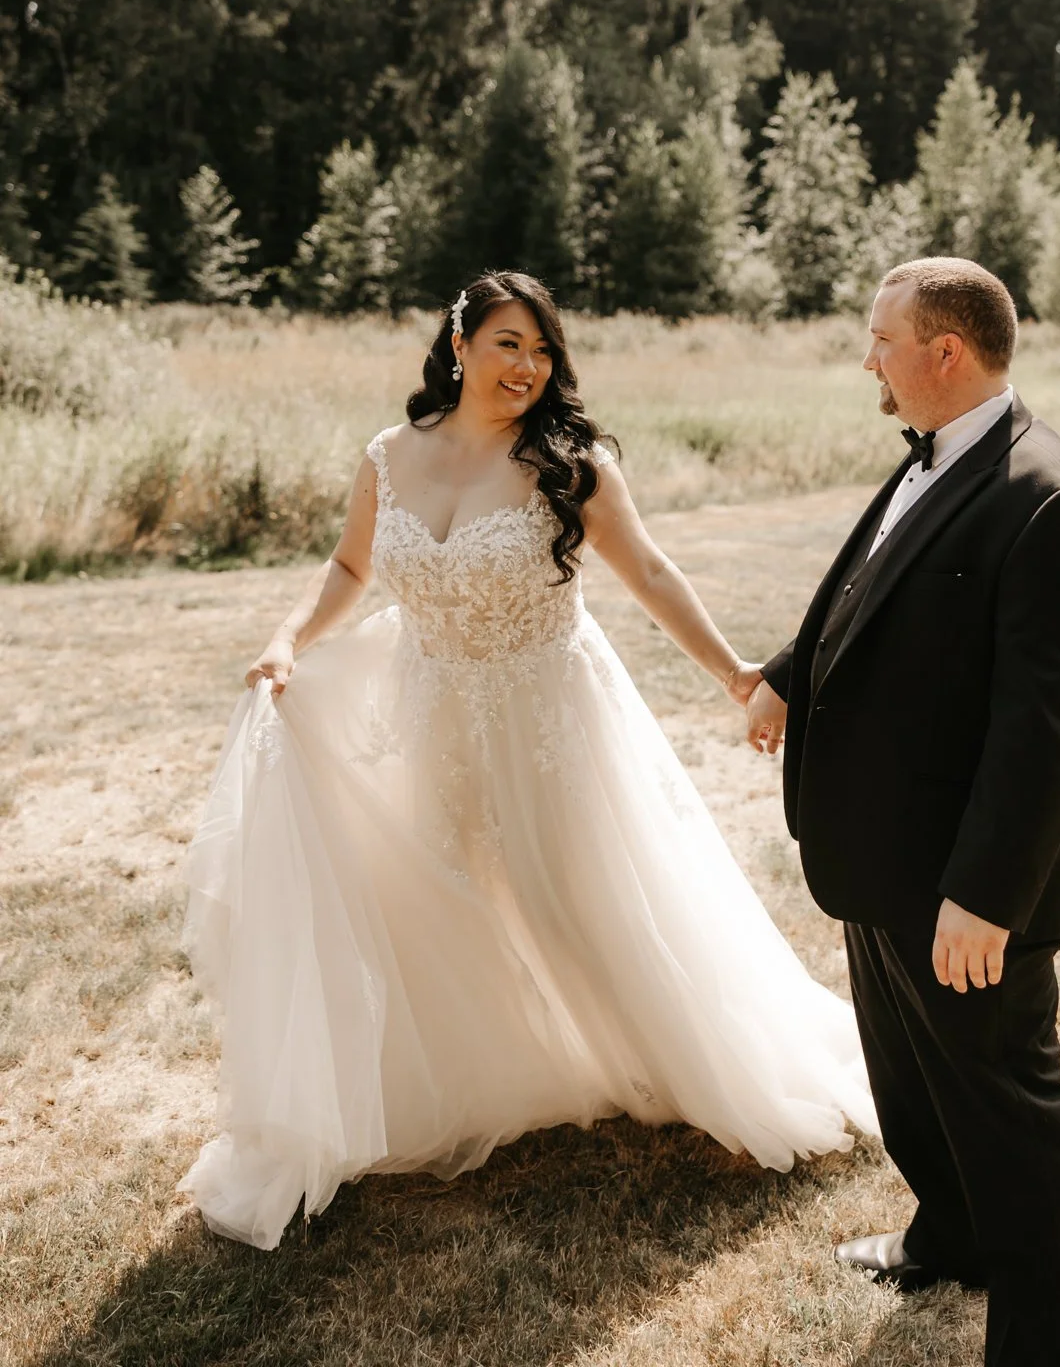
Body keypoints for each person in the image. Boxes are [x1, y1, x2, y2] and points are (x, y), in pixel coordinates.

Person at [181, 269, 877, 1250]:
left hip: (550, 717)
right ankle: (489, 1068)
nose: (528, 367)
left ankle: (698, 1059)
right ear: (459, 342)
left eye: (543, 350)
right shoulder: (389, 456)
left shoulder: (572, 463)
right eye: (509, 344)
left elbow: (649, 571)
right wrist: (290, 638)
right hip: (430, 710)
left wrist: (732, 674)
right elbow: (348, 568)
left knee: (583, 900)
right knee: (442, 896)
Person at [746, 256, 1060, 1367]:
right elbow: (865, 582)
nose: (867, 357)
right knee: (908, 1080)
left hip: (962, 883)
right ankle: (947, 1237)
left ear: (941, 352)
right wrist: (785, 667)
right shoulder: (932, 457)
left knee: (1016, 1122)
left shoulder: (1052, 499)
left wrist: (984, 894)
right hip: (878, 856)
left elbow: (1043, 729)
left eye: (879, 339)